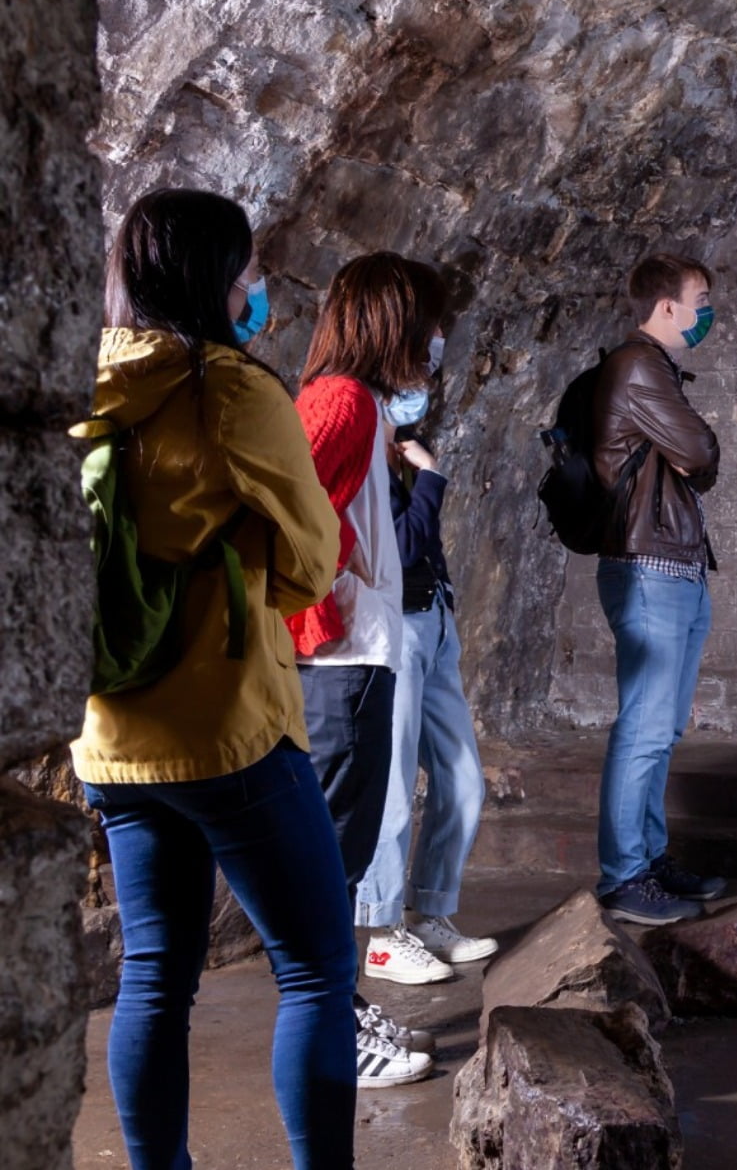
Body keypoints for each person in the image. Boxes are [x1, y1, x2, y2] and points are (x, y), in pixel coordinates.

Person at [72, 188, 355, 1166]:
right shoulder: (229, 390)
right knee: (318, 970)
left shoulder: (83, 387)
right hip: (228, 729)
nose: (257, 287)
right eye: (247, 269)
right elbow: (314, 562)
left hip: (112, 739)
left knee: (154, 977)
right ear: (217, 281)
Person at [288, 252, 445, 1087]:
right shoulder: (343, 401)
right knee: (331, 861)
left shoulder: (358, 406)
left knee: (341, 858)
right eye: (427, 324)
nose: (434, 343)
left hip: (355, 653)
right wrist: (325, 605)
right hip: (338, 660)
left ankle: (340, 1009)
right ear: (396, 320)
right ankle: (332, 1034)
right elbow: (287, 512)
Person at [351, 323, 499, 983]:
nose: (431, 378)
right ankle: (383, 934)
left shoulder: (400, 441)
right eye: (423, 360)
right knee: (392, 789)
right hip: (398, 628)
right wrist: (432, 481)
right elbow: (400, 547)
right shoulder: (366, 439)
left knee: (464, 778)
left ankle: (432, 912)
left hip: (434, 620)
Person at [591, 252, 730, 925]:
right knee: (644, 728)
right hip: (650, 569)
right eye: (700, 299)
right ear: (667, 306)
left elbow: (692, 465)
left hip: (673, 565)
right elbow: (700, 453)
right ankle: (623, 876)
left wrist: (690, 451)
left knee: (662, 727)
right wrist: (694, 446)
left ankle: (648, 857)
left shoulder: (658, 370)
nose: (707, 312)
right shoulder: (640, 366)